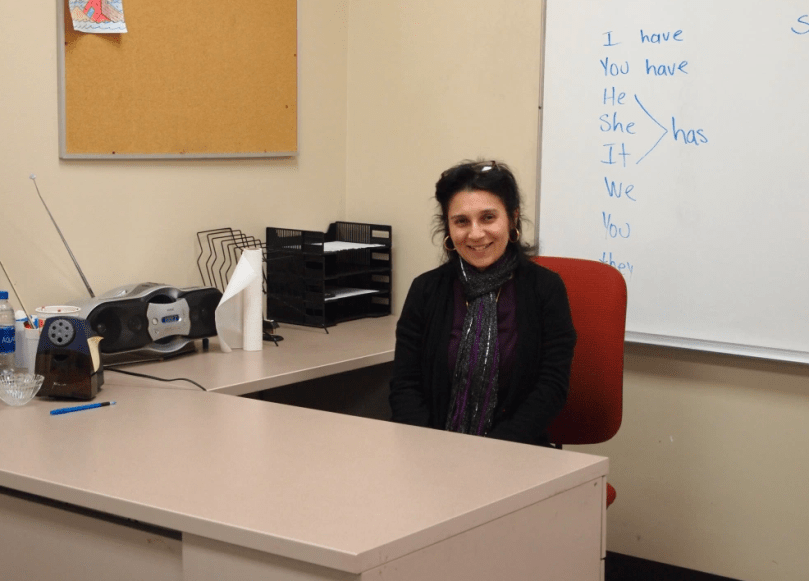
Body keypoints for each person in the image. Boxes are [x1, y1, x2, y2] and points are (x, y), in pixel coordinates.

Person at [389, 159, 576, 446]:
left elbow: (550, 388)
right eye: (461, 221)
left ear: (512, 219)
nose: (475, 234)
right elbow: (405, 385)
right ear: (448, 228)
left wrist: (488, 453)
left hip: (517, 451)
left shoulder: (545, 289)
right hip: (431, 453)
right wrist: (429, 448)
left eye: (488, 217)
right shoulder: (426, 290)